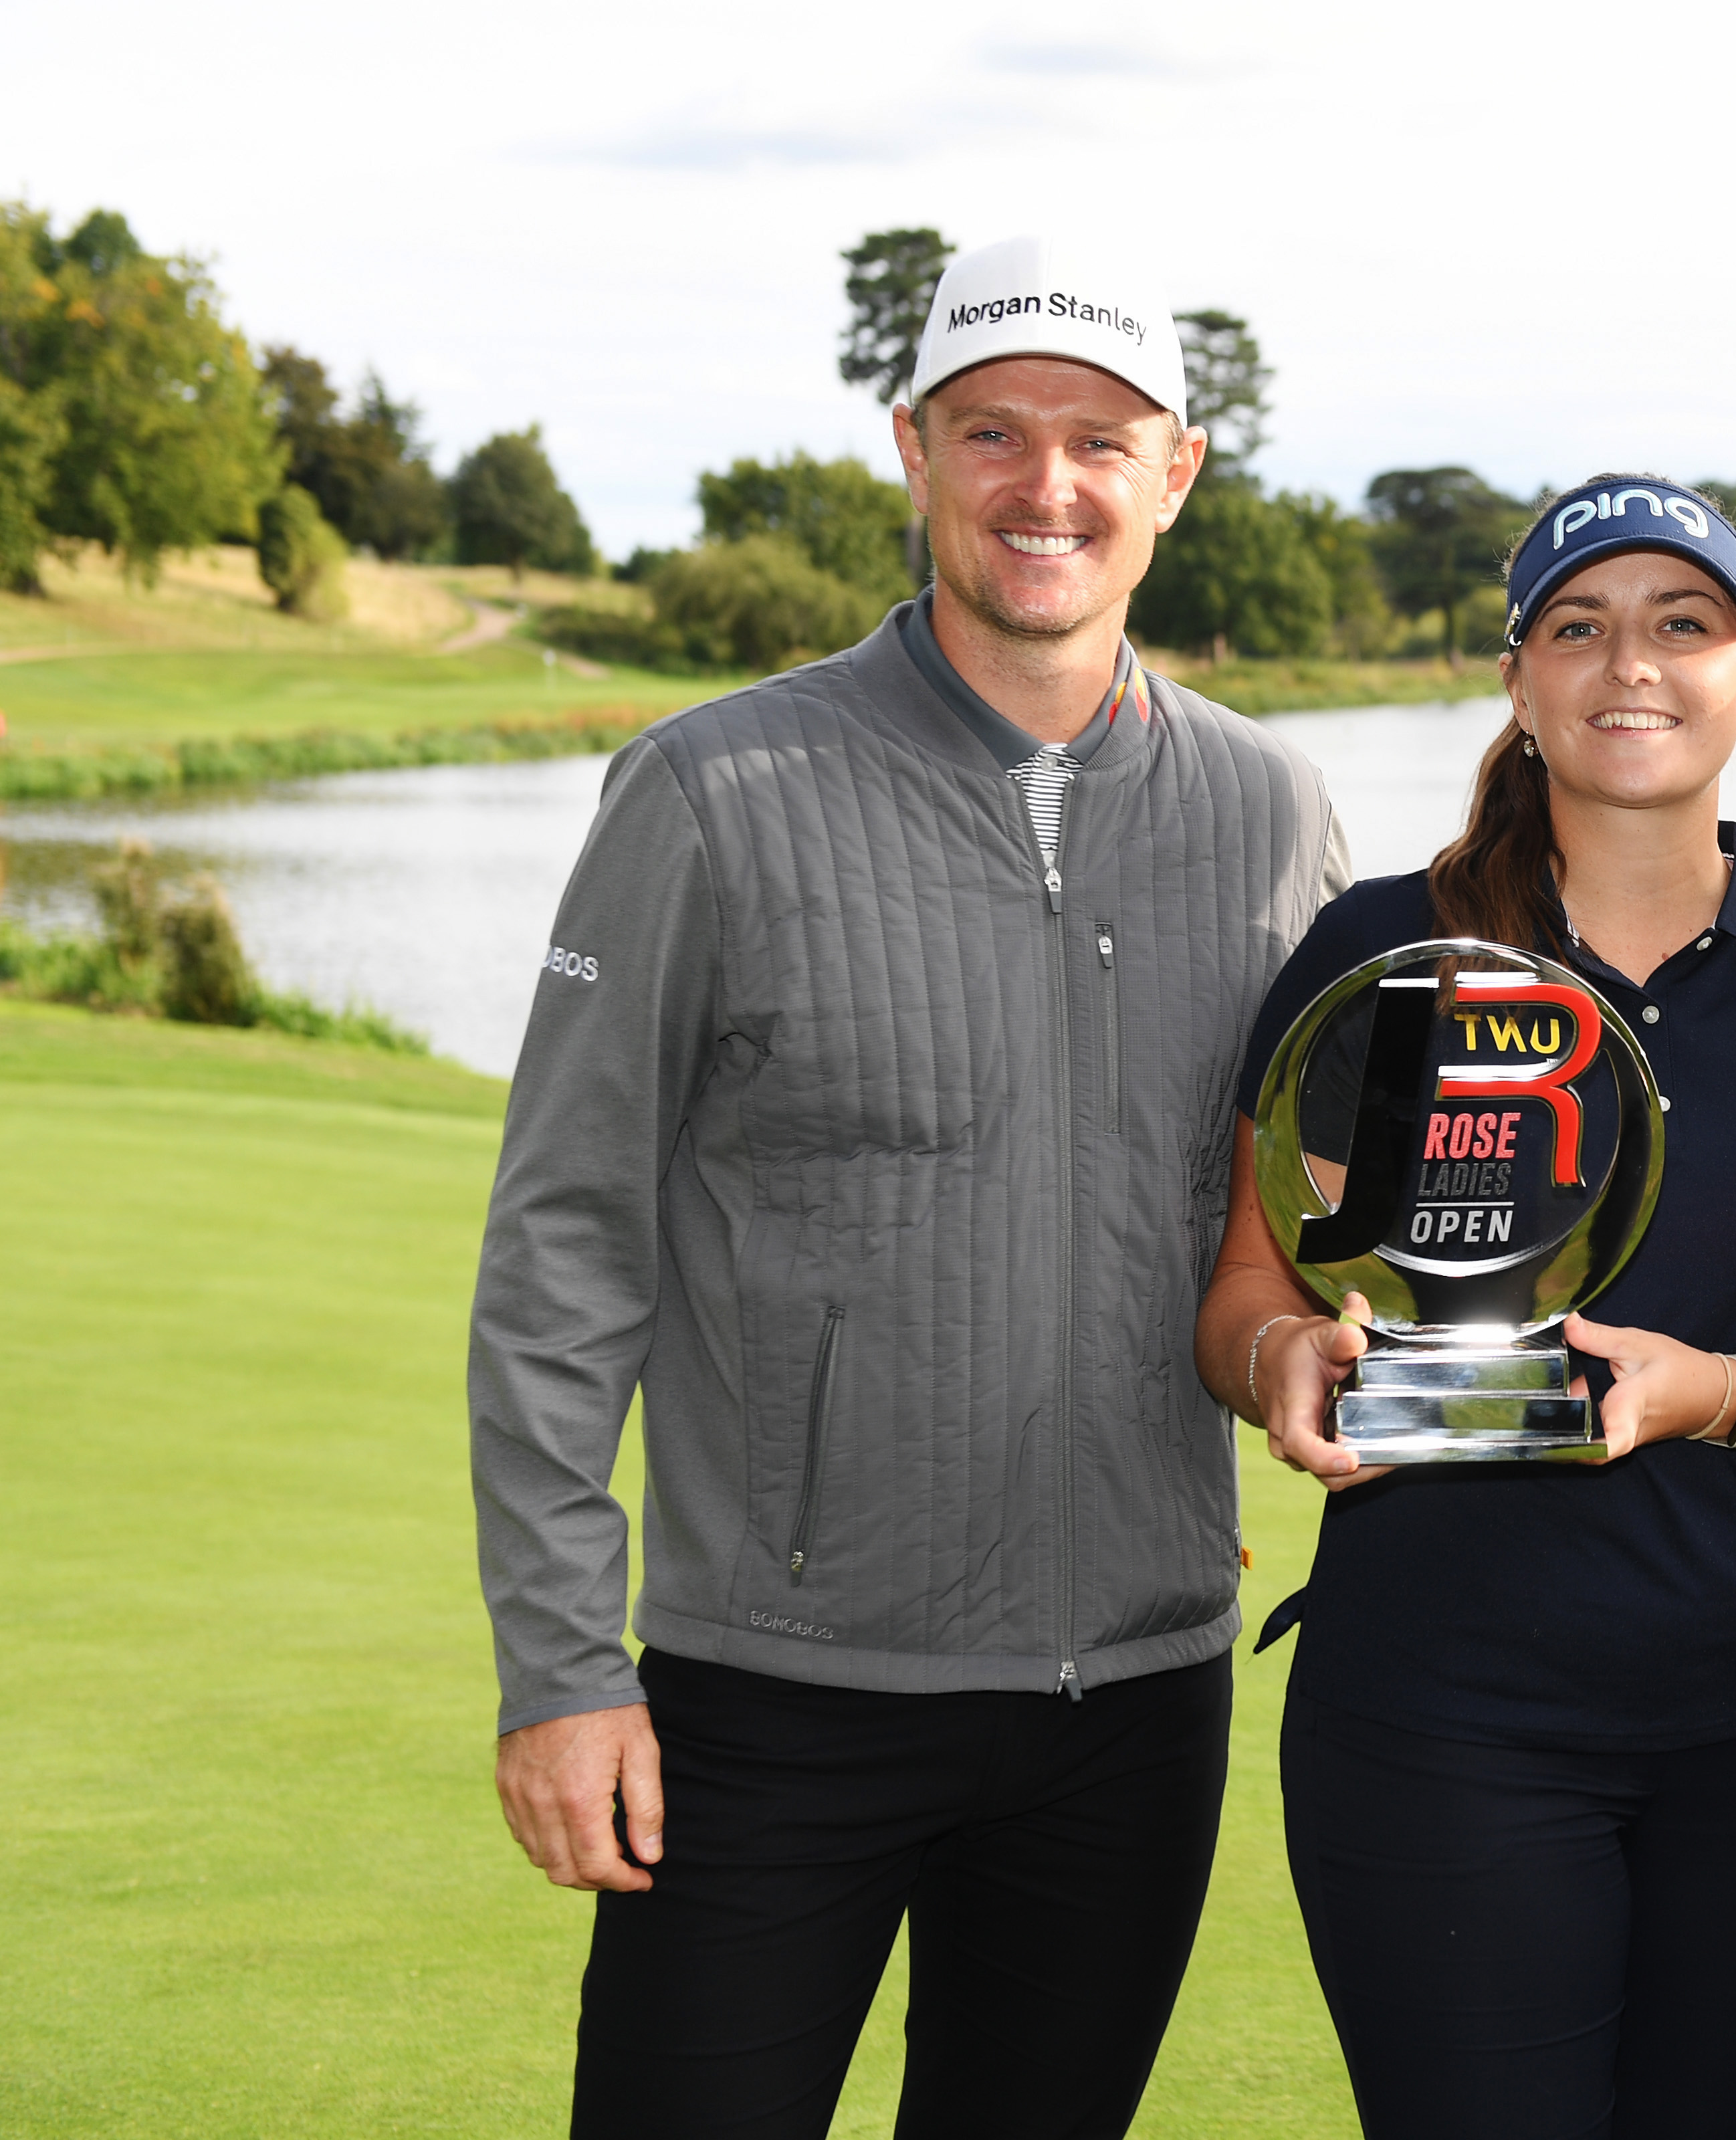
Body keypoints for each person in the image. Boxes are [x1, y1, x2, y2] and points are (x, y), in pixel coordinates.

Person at [467, 234, 1354, 2137]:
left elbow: (1303, 1216)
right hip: (770, 1700)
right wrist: (558, 1669)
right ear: (913, 450)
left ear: (1176, 472)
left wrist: (1721, 927)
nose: (1051, 487)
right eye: (996, 434)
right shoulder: (708, 794)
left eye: (1103, 442)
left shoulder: (1276, 816)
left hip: (1133, 1702)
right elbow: (564, 1251)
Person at [1195, 475, 1736, 2140]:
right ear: (1519, 678)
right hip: (1440, 1718)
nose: (1635, 664)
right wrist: (1286, 1365)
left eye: (1684, 624)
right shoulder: (1384, 945)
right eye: (1581, 626)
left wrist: (1722, 1390)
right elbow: (1252, 1290)